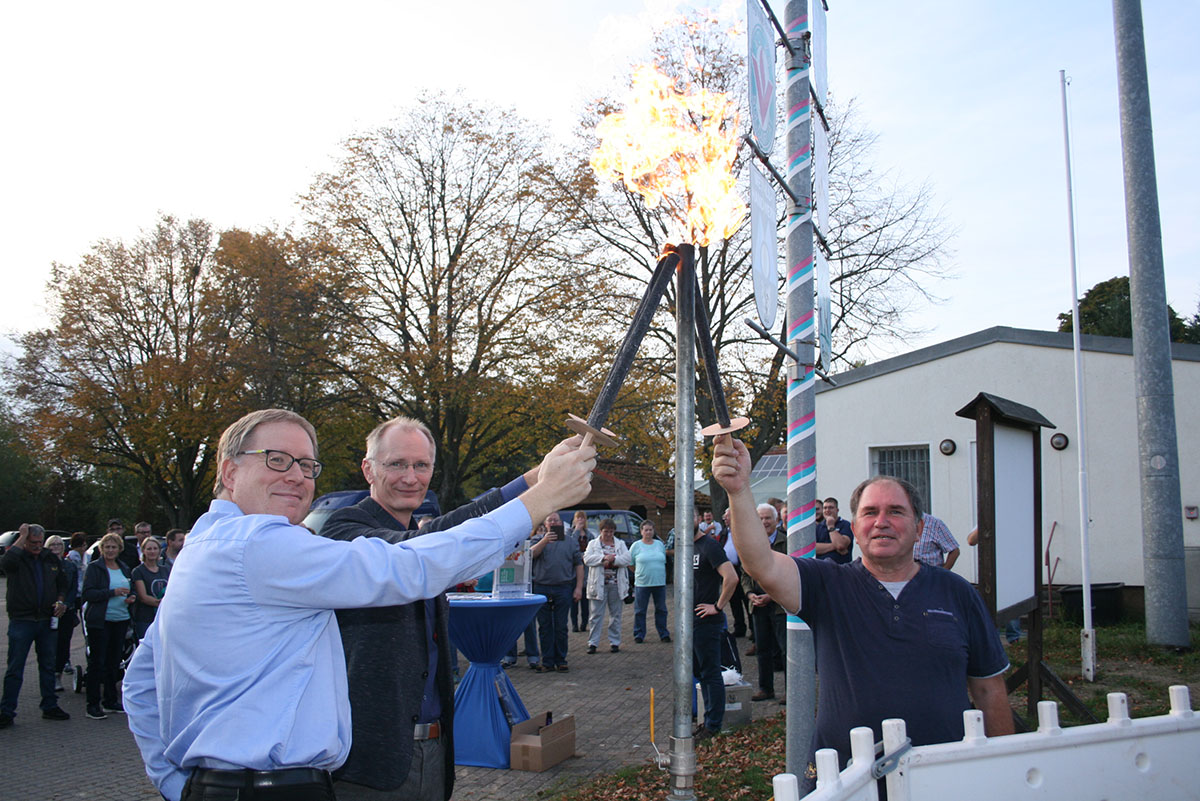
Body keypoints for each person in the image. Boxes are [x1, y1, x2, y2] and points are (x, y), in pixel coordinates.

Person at [123, 409, 593, 801]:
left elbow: (141, 682)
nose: (296, 476)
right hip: (286, 784)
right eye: (277, 459)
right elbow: (409, 564)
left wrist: (177, 783)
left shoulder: (207, 546)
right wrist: (542, 497)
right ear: (229, 471)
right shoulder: (259, 546)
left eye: (307, 466)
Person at [712, 434, 1012, 787]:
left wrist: (1002, 773)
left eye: (896, 511)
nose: (881, 521)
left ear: (918, 529)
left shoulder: (957, 592)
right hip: (846, 780)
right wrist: (739, 490)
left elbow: (990, 691)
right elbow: (761, 564)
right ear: (855, 529)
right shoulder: (827, 585)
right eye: (870, 512)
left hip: (942, 778)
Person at [320, 415, 580, 801]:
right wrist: (540, 494)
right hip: (369, 765)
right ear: (368, 469)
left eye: (421, 465)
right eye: (397, 464)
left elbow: (441, 535)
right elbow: (429, 545)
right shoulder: (343, 530)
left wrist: (537, 474)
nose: (411, 477)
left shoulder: (422, 537)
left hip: (434, 753)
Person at [1, 524, 71, 727]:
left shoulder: (49, 558)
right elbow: (6, 563)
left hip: (46, 620)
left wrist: (60, 600)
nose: (38, 547)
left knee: (48, 665)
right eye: (33, 543)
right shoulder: (16, 558)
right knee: (15, 667)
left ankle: (50, 705)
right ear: (25, 540)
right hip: (22, 620)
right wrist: (21, 538)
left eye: (40, 543)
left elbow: (63, 583)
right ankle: (7, 711)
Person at [691, 514, 738, 739]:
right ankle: (707, 720)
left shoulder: (709, 546)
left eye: (689, 515)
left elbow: (731, 577)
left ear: (698, 519)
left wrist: (717, 607)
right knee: (698, 672)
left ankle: (713, 726)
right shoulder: (684, 548)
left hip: (706, 623)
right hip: (688, 624)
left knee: (710, 673)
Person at [82, 531, 135, 719]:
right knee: (98, 663)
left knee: (114, 662)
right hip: (100, 621)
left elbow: (131, 589)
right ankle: (93, 704)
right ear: (101, 549)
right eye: (107, 547)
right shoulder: (95, 568)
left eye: (114, 547)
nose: (110, 550)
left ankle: (111, 700)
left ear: (119, 549)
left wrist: (131, 598)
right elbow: (88, 593)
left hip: (120, 620)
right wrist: (111, 592)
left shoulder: (124, 567)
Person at [530, 511, 584, 672]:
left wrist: (579, 588)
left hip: (564, 587)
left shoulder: (570, 541)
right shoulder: (537, 539)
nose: (553, 523)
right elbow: (530, 555)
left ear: (561, 523)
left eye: (556, 520)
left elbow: (579, 565)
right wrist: (545, 540)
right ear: (545, 524)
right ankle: (547, 661)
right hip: (541, 587)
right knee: (545, 627)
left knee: (561, 626)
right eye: (550, 521)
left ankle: (561, 660)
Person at [744, 505, 788, 702]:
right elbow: (744, 573)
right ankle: (765, 688)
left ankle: (791, 691)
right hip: (758, 604)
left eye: (768, 518)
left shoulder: (786, 542)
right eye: (760, 518)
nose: (764, 522)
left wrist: (772, 595)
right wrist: (750, 593)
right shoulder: (751, 543)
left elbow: (789, 572)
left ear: (776, 519)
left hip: (779, 603)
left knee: (785, 648)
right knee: (762, 648)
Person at [44, 535, 79, 692]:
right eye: (52, 544)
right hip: (47, 612)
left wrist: (65, 604)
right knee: (48, 645)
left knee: (63, 645)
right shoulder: (42, 565)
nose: (56, 547)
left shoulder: (70, 567)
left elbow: (73, 588)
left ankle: (57, 674)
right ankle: (48, 675)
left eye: (59, 544)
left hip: (66, 611)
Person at [628, 520, 670, 643]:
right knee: (640, 610)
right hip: (642, 583)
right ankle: (639, 634)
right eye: (646, 530)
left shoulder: (659, 545)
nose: (648, 532)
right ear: (641, 531)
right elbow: (630, 564)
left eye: (650, 530)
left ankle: (663, 633)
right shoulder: (636, 546)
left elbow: (664, 561)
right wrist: (639, 572)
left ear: (653, 531)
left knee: (661, 609)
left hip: (659, 583)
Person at [130, 537, 170, 642]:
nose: (152, 551)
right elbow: (143, 597)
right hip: (145, 618)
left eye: (155, 548)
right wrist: (162, 603)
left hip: (163, 617)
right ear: (143, 551)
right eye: (149, 549)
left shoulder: (166, 570)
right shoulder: (138, 571)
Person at [568, 511, 592, 632]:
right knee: (574, 599)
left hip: (586, 568)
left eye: (583, 518)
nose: (581, 520)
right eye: (578, 518)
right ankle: (574, 624)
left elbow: (593, 548)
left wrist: (586, 556)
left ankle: (584, 623)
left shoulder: (589, 534)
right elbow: (571, 545)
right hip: (573, 569)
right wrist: (577, 530)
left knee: (585, 600)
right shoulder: (570, 533)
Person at [815, 497, 853, 564]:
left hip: (841, 568)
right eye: (825, 508)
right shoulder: (818, 527)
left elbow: (841, 545)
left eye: (831, 508)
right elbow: (814, 548)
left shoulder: (845, 524)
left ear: (837, 510)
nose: (827, 510)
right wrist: (835, 545)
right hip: (821, 568)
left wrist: (831, 526)